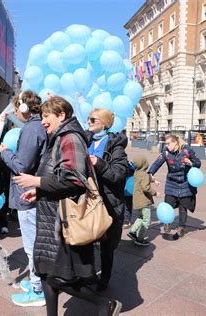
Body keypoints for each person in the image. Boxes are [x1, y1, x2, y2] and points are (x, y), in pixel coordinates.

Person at [13, 96, 122, 316]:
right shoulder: (59, 136)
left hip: (61, 221)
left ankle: (104, 304)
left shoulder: (69, 138)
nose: (42, 121)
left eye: (46, 116)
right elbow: (58, 175)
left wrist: (37, 182)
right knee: (46, 274)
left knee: (58, 276)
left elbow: (74, 180)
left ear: (61, 115)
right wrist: (39, 191)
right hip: (51, 217)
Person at [0, 90, 47, 307]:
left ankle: (38, 290)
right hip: (33, 194)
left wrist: (5, 152)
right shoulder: (38, 126)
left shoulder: (31, 129)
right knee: (35, 241)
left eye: (16, 108)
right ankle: (37, 281)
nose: (15, 112)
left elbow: (21, 165)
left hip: (29, 195)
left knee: (31, 244)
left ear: (24, 108)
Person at [86, 108, 128, 292]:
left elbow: (118, 175)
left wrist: (99, 163)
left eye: (93, 119)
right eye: (88, 118)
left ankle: (105, 278)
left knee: (106, 245)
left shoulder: (116, 146)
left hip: (109, 203)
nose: (88, 122)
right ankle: (86, 274)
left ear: (103, 122)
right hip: (87, 200)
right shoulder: (85, 140)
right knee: (84, 239)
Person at [148, 134, 201, 238]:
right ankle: (167, 223)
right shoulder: (166, 153)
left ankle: (181, 227)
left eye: (168, 144)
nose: (166, 146)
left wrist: (191, 163)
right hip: (172, 183)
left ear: (175, 143)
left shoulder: (187, 150)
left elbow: (198, 163)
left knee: (183, 207)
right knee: (168, 205)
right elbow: (156, 163)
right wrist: (150, 173)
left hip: (186, 183)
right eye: (166, 144)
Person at [127, 155, 159, 246]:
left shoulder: (137, 173)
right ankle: (139, 239)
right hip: (144, 201)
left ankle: (133, 232)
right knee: (146, 221)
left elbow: (147, 178)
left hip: (137, 200)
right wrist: (155, 193)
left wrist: (154, 180)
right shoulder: (144, 175)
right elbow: (146, 187)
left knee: (141, 217)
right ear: (145, 164)